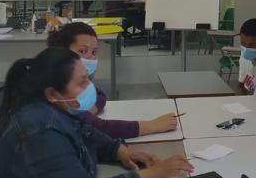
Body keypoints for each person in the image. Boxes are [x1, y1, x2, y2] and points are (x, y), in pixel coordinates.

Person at [0, 48, 193, 178]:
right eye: (82, 82)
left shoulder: (54, 106)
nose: (89, 87)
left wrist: (121, 152)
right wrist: (155, 175)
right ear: (52, 93)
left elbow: (87, 131)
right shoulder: (38, 131)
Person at [48, 22, 177, 139]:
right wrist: (153, 125)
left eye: (94, 52)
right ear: (62, 51)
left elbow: (100, 95)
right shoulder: (57, 85)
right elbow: (103, 128)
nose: (90, 57)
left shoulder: (71, 76)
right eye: (83, 51)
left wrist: (92, 108)